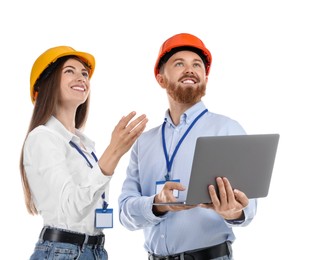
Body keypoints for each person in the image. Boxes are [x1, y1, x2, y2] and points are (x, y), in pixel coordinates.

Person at [118, 33, 257, 260]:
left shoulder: (227, 130)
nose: (190, 69)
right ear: (161, 79)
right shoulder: (144, 142)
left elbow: (249, 208)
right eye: (179, 63)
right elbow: (125, 213)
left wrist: (234, 212)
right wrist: (157, 204)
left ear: (205, 78)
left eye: (197, 65)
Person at [19, 45, 148, 260]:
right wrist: (113, 152)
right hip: (63, 251)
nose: (81, 78)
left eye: (84, 73)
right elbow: (72, 209)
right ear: (47, 83)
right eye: (69, 71)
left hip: (95, 250)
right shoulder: (42, 138)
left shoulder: (85, 146)